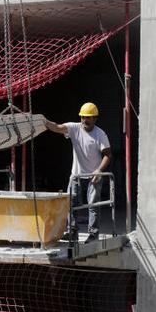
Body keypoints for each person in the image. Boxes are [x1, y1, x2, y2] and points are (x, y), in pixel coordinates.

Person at [44, 102, 111, 244]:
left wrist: (99, 170)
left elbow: (107, 154)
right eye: (83, 117)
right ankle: (73, 232)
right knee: (71, 204)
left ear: (95, 118)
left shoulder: (100, 134)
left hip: (94, 175)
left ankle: (93, 235)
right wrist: (43, 121)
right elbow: (57, 127)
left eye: (88, 117)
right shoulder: (74, 128)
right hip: (76, 175)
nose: (85, 120)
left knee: (93, 206)